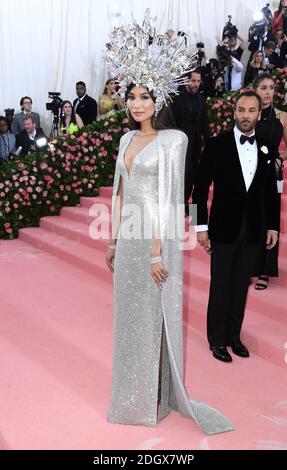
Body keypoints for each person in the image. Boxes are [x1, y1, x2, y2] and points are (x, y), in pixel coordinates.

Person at [104, 11, 233, 435]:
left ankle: (154, 399)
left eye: (145, 96)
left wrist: (159, 250)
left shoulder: (172, 141)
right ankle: (131, 398)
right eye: (132, 95)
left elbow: (167, 200)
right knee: (129, 322)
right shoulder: (124, 140)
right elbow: (121, 193)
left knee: (152, 320)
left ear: (159, 98)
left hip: (154, 245)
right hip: (128, 243)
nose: (137, 103)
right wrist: (111, 241)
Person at [192, 91, 279, 363]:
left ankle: (233, 336)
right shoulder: (217, 144)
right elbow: (199, 188)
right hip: (223, 227)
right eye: (241, 109)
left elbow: (269, 193)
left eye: (251, 110)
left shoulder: (266, 146)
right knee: (221, 285)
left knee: (241, 285)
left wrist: (273, 227)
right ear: (234, 111)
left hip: (253, 229)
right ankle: (216, 339)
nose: (246, 115)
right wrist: (200, 226)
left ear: (259, 113)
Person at [252, 74, 287, 290]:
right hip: (249, 173)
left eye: (271, 87)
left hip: (272, 175)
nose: (268, 92)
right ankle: (248, 266)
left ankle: (265, 270)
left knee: (270, 218)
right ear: (255, 90)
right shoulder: (249, 113)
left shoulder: (282, 116)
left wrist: (280, 159)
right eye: (263, 87)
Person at [170, 69, 210, 216]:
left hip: (196, 145)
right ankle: (179, 205)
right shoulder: (177, 99)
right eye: (193, 81)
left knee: (194, 176)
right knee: (183, 175)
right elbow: (172, 123)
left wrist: (208, 142)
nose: (196, 84)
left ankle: (188, 205)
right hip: (181, 146)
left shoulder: (202, 99)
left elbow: (204, 122)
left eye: (198, 81)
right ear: (187, 80)